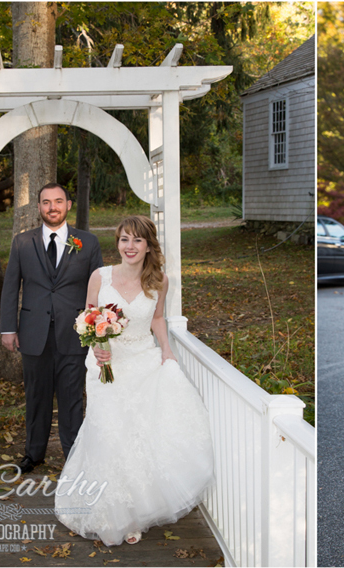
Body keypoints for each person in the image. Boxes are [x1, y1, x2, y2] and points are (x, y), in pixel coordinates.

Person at [55, 215, 214, 546]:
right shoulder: (100, 277)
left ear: (148, 246)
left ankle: (133, 514)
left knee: (137, 436)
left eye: (137, 240)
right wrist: (97, 346)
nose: (130, 246)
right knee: (107, 433)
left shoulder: (159, 281)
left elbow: (157, 319)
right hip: (105, 365)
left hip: (142, 362)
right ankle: (106, 508)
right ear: (118, 243)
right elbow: (88, 316)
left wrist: (167, 350)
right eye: (124, 239)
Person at [0, 183, 103, 474]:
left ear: (68, 205)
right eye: (46, 202)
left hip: (74, 332)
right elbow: (11, 287)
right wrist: (8, 328)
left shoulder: (88, 242)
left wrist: (97, 327)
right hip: (33, 333)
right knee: (36, 396)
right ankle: (34, 453)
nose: (52, 207)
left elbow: (98, 287)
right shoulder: (22, 242)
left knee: (72, 397)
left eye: (58, 201)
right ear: (39, 207)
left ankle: (73, 455)